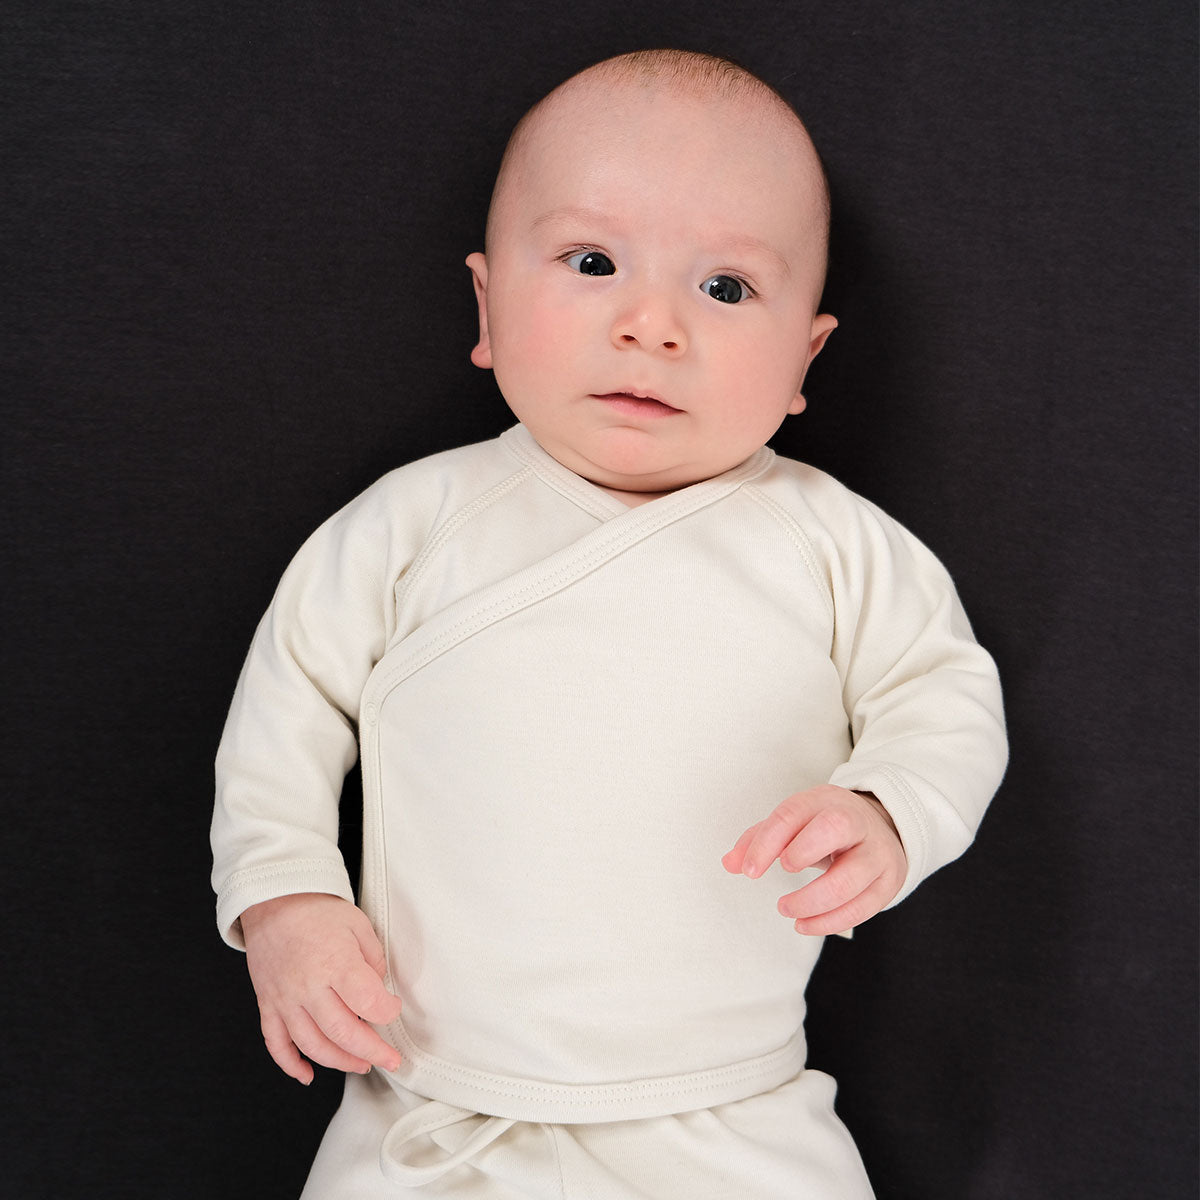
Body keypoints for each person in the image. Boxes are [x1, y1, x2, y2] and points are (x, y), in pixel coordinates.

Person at [211, 48, 1007, 1198]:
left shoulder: (835, 546)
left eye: (725, 288)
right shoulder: (410, 526)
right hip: (430, 1114)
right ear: (487, 305)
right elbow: (283, 719)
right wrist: (286, 899)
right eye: (592, 263)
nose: (652, 325)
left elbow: (945, 699)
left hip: (734, 1118)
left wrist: (890, 807)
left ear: (805, 358)